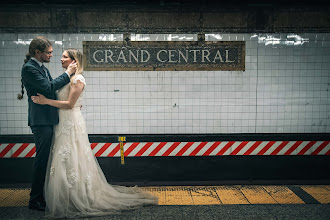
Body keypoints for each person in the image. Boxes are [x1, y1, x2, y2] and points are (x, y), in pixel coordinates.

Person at [31, 48, 158, 218]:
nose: (60, 59)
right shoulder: (68, 78)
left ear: (74, 61)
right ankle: (66, 196)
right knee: (64, 158)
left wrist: (46, 101)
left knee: (73, 156)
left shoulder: (78, 79)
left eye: (64, 57)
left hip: (71, 123)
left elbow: (69, 104)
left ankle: (78, 196)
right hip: (63, 123)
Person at [18, 36, 77, 211]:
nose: (52, 55)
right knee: (42, 159)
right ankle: (35, 199)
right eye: (49, 52)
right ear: (38, 52)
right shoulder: (30, 69)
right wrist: (68, 74)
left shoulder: (39, 67)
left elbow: (51, 89)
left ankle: (42, 195)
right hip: (41, 121)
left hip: (48, 118)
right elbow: (50, 87)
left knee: (46, 158)